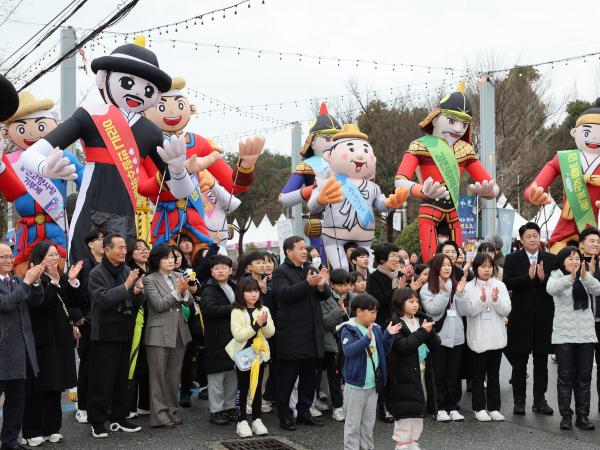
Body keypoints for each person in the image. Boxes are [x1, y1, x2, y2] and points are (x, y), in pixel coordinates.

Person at [21, 242, 82, 446]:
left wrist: (71, 281)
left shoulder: (60, 276)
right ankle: (31, 430)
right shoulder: (33, 277)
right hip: (41, 339)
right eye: (50, 255)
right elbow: (41, 303)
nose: (55, 258)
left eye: (56, 254)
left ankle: (52, 427)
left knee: (56, 384)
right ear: (40, 258)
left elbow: (74, 303)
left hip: (60, 337)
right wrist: (55, 283)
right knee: (39, 386)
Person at [87, 234, 144, 438]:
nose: (123, 251)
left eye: (124, 248)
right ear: (107, 249)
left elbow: (135, 301)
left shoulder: (127, 270)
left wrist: (138, 292)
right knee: (102, 379)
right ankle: (97, 420)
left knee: (123, 378)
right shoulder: (96, 273)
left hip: (125, 330)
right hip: (105, 332)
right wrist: (128, 286)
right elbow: (102, 300)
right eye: (119, 248)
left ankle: (119, 416)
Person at [272, 236, 331, 431]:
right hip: (292, 336)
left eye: (305, 248)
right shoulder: (281, 271)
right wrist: (308, 284)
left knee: (309, 378)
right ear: (289, 252)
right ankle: (284, 416)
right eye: (299, 248)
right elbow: (283, 295)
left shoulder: (310, 269)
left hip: (312, 334)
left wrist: (321, 285)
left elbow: (324, 295)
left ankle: (304, 412)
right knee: (287, 379)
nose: (304, 251)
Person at [503, 222, 555, 416]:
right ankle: (519, 401)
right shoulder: (512, 259)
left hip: (543, 317)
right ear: (522, 240)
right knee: (519, 362)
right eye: (528, 236)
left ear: (540, 237)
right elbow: (507, 283)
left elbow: (556, 284)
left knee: (541, 361)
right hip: (520, 317)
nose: (533, 239)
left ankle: (540, 401)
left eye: (535, 235)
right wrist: (527, 277)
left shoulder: (550, 258)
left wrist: (543, 279)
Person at [546, 247, 600, 430]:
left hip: (586, 335)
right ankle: (566, 416)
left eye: (577, 258)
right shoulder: (556, 276)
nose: (575, 261)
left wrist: (585, 276)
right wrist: (571, 277)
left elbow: (598, 290)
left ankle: (582, 415)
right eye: (571, 258)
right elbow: (551, 289)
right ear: (562, 261)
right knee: (565, 377)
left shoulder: (585, 276)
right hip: (564, 335)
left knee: (584, 377)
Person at [338, 294, 400, 450]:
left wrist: (388, 336)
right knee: (352, 426)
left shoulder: (377, 329)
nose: (375, 315)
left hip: (373, 385)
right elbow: (348, 351)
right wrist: (366, 338)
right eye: (371, 312)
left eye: (376, 312)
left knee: (368, 426)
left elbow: (383, 352)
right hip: (355, 386)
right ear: (359, 311)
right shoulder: (348, 329)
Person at [142, 244, 194, 428]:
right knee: (158, 376)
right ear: (157, 261)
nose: (171, 260)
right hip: (158, 332)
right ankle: (159, 415)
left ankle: (172, 410)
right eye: (166, 257)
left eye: (172, 257)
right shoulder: (150, 280)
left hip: (180, 330)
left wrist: (185, 291)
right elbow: (158, 305)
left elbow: (190, 302)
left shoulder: (179, 276)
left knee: (174, 375)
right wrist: (177, 292)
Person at [0, 243, 45, 450]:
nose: (9, 260)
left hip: (20, 353)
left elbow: (36, 301)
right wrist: (26, 282)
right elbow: (6, 304)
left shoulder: (17, 280)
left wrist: (35, 283)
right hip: (2, 352)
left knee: (16, 403)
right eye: (3, 257)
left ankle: (10, 442)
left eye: (10, 256)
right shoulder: (20, 282)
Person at [457, 253, 511, 422]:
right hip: (478, 337)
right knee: (478, 375)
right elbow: (466, 312)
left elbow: (507, 310)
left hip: (496, 336)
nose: (487, 270)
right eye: (483, 267)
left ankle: (494, 408)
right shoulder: (469, 287)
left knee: (494, 375)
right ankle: (479, 408)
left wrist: (495, 300)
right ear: (476, 268)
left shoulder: (500, 285)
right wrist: (481, 301)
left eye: (489, 266)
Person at [386, 288, 440, 450]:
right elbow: (404, 346)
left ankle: (412, 440)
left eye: (417, 301)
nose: (415, 305)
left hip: (423, 369)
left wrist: (429, 332)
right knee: (405, 407)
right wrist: (423, 331)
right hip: (403, 374)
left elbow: (436, 344)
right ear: (400, 303)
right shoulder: (395, 322)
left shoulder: (422, 319)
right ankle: (402, 442)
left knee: (419, 405)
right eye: (411, 301)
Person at [421, 253, 468, 422]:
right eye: (443, 265)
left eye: (449, 264)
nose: (447, 268)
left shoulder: (458, 285)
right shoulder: (427, 288)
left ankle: (452, 406)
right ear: (435, 268)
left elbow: (464, 311)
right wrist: (444, 293)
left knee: (453, 375)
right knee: (438, 374)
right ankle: (439, 407)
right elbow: (433, 310)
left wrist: (460, 294)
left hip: (457, 337)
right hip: (438, 338)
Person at [226, 277, 275, 438]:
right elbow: (239, 336)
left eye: (255, 290)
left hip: (259, 355)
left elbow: (270, 332)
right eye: (249, 291)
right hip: (243, 356)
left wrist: (264, 323)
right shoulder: (236, 311)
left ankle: (257, 419)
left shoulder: (263, 309)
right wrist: (256, 325)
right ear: (241, 293)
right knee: (243, 387)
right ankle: (241, 421)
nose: (253, 294)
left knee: (258, 387)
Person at [200, 254, 238, 425]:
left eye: (224, 267)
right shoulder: (208, 289)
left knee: (232, 374)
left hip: (234, 338)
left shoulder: (234, 286)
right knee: (216, 376)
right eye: (217, 268)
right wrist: (235, 308)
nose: (220, 270)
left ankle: (230, 407)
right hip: (216, 338)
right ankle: (216, 410)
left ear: (231, 270)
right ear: (211, 272)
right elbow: (210, 309)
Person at [74, 229, 105, 424]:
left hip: (109, 321)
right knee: (87, 365)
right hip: (89, 321)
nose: (103, 242)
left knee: (104, 366)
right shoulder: (83, 265)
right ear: (90, 244)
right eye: (99, 239)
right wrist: (79, 318)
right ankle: (82, 406)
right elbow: (74, 294)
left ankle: (100, 404)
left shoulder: (113, 264)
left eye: (105, 239)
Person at [320, 269, 351, 421]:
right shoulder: (325, 297)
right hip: (331, 341)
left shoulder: (349, 297)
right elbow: (326, 322)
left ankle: (345, 404)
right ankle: (337, 407)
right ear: (331, 284)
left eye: (347, 284)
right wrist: (339, 308)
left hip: (346, 340)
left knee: (342, 374)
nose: (344, 288)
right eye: (340, 285)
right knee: (334, 375)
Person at [126, 239, 150, 419]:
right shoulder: (131, 271)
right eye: (138, 249)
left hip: (152, 322)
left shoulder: (153, 269)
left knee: (146, 365)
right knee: (133, 364)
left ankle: (145, 404)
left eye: (145, 248)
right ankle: (130, 405)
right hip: (135, 321)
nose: (143, 251)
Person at [577, 228, 600, 412]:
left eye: (598, 242)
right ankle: (582, 410)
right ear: (581, 244)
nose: (595, 244)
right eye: (591, 241)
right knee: (582, 371)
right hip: (582, 323)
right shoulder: (574, 263)